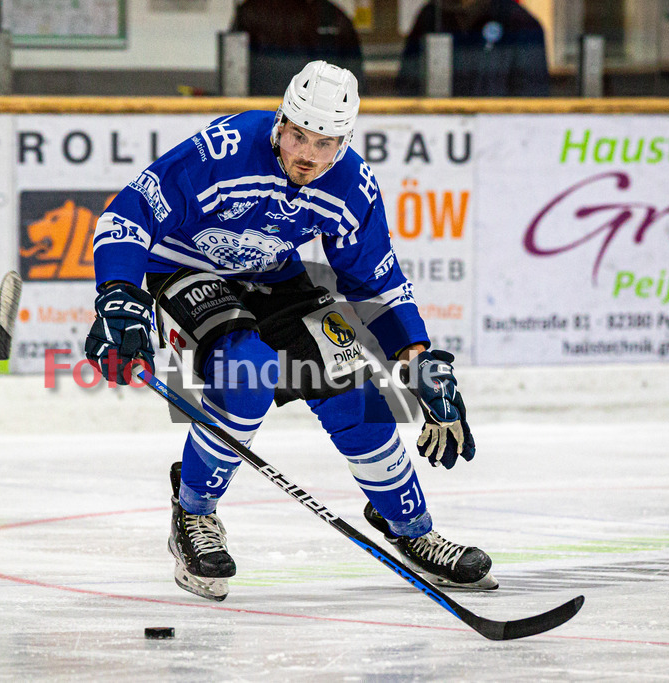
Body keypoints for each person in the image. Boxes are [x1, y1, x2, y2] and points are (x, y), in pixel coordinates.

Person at [85, 60, 494, 602]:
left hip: (273, 273)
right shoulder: (222, 150)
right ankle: (194, 513)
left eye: (323, 143)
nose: (305, 153)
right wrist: (118, 293)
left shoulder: (352, 186)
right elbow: (129, 214)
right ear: (280, 120)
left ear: (344, 142)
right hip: (184, 269)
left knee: (357, 388)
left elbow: (374, 277)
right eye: (297, 135)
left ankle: (412, 531)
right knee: (247, 372)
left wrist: (417, 356)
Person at [397, 0, 549, 97]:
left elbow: (531, 100)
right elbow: (407, 86)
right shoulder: (431, 17)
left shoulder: (520, 23)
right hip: (437, 133)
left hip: (500, 135)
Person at [230, 0, 366, 96]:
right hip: (264, 108)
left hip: (319, 114)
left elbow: (353, 78)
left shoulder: (333, 17)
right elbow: (232, 68)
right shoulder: (252, 11)